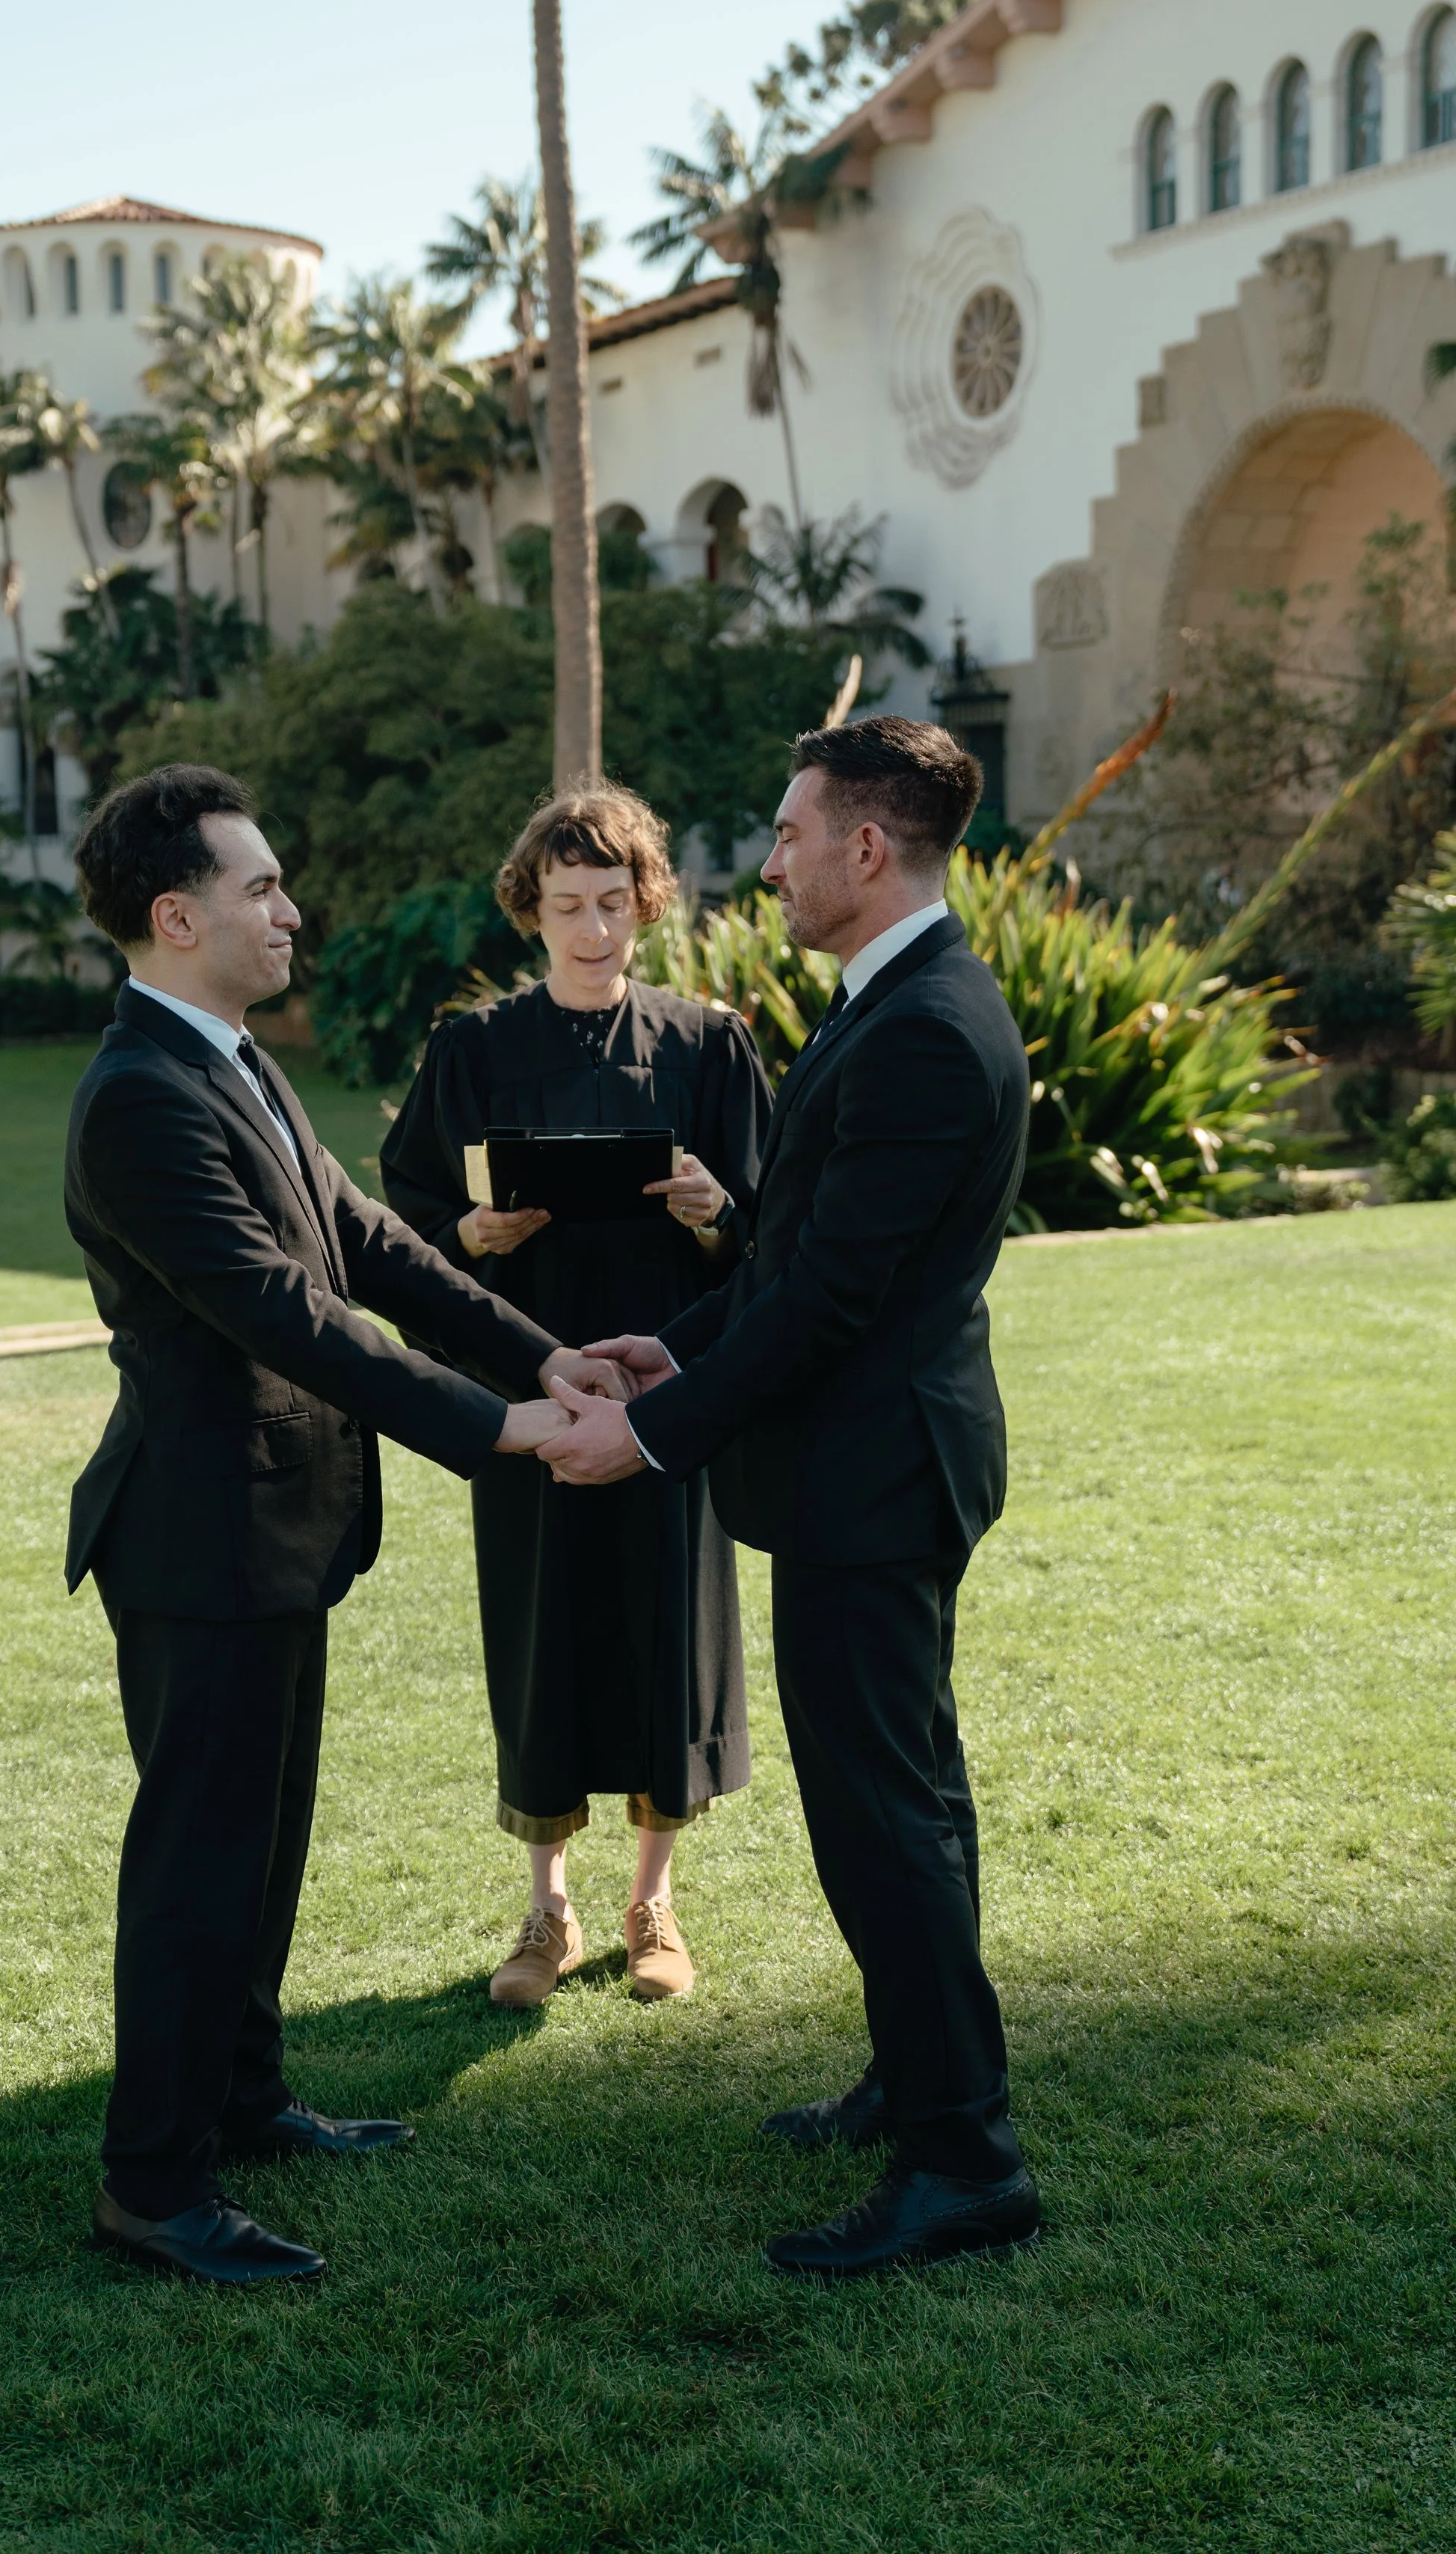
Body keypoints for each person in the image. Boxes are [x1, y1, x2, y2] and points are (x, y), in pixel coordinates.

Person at [64, 764, 626, 2289]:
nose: (287, 908)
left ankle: (243, 2104)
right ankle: (153, 2186)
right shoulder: (137, 1098)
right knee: (198, 1866)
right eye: (257, 889)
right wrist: (500, 1429)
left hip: (278, 1528)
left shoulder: (231, 1057)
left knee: (259, 1851)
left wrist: (536, 1355)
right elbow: (280, 1312)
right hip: (196, 1539)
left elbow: (364, 1243)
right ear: (176, 919)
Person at [538, 716, 1040, 2280]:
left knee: (883, 1818)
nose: (766, 863)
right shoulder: (888, 1004)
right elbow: (787, 1261)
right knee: (905, 1803)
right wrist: (662, 1344)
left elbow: (827, 1302)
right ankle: (921, 2078)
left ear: (866, 849)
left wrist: (656, 1433)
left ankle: (961, 2159)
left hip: (871, 1479)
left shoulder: (919, 1030)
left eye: (786, 833)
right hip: (871, 1466)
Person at [380, 785, 770, 2007]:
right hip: (531, 1397)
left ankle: (655, 1904)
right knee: (542, 1632)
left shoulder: (711, 1048)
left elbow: (780, 1242)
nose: (592, 928)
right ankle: (545, 1908)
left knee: (666, 1629)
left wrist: (718, 1216)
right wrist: (475, 1230)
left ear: (649, 901)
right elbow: (403, 1225)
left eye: (613, 901)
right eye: (566, 906)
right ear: (530, 910)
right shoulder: (472, 1052)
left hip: (666, 1395)